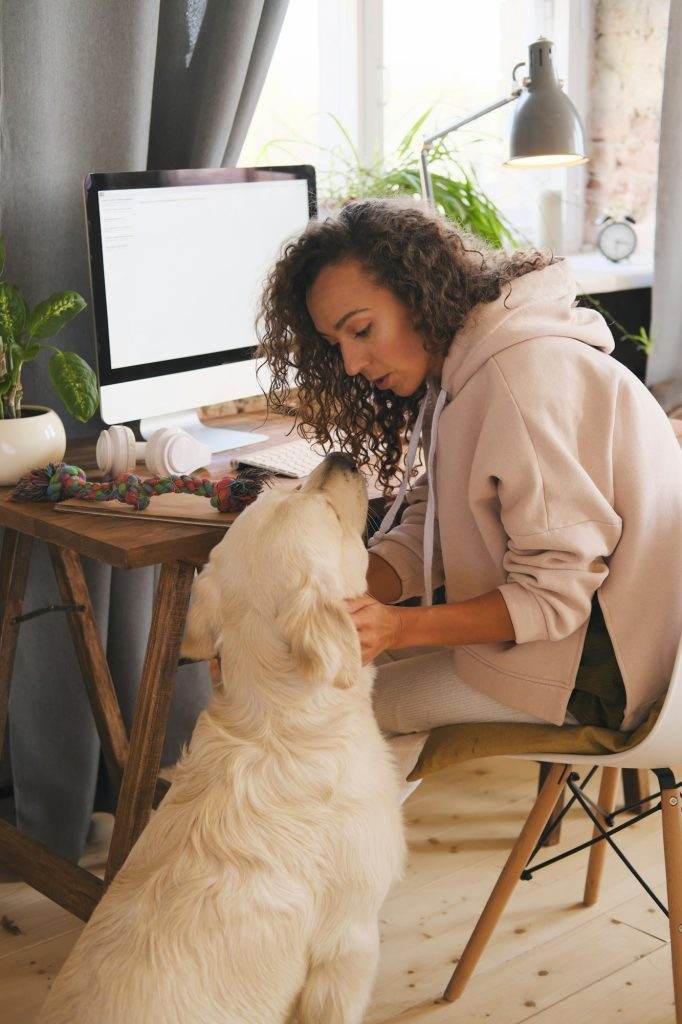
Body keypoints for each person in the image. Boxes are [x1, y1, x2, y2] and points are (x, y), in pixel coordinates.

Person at [256, 197, 682, 783]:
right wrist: (337, 596)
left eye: (361, 329)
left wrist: (398, 628)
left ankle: (331, 873)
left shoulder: (517, 381)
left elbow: (556, 598)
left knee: (313, 710)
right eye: (337, 344)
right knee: (310, 676)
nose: (352, 362)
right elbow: (434, 520)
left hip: (601, 675)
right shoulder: (469, 373)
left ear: (417, 293)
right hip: (572, 645)